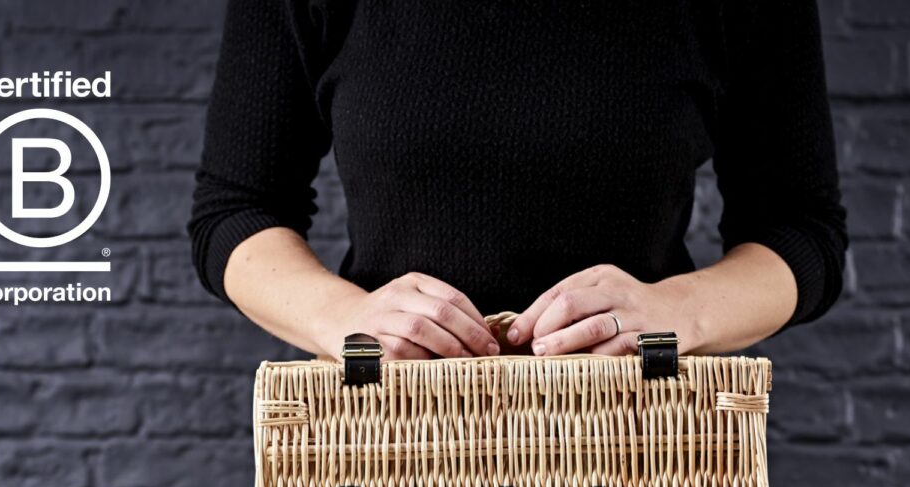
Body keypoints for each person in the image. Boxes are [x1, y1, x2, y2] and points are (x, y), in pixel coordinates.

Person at [189, 0, 847, 360]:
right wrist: (345, 318)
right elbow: (238, 208)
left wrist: (681, 310)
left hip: (637, 465)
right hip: (386, 460)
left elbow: (800, 230)